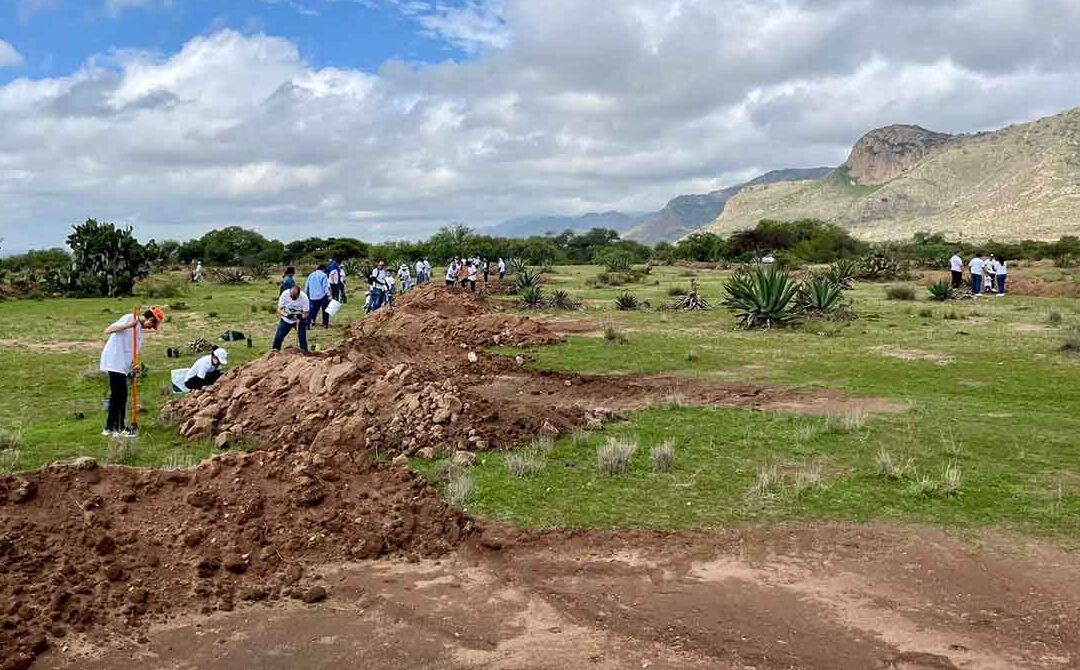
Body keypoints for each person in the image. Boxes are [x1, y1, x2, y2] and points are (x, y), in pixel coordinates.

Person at [100, 307, 164, 436]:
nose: (150, 329)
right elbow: (108, 330)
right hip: (114, 362)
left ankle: (109, 428)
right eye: (152, 325)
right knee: (120, 396)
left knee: (117, 396)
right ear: (150, 319)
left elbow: (131, 353)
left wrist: (133, 368)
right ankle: (120, 427)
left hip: (122, 366)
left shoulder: (139, 334)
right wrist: (129, 325)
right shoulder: (130, 318)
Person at [273, 284, 309, 351]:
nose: (292, 298)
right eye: (291, 296)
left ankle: (305, 355)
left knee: (302, 339)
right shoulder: (284, 295)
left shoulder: (304, 298)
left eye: (295, 297)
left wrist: (300, 317)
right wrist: (286, 315)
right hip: (286, 320)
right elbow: (279, 309)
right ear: (289, 292)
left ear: (299, 294)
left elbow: (306, 313)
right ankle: (274, 353)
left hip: (299, 321)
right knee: (278, 338)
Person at [306, 264, 331, 328]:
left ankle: (309, 323)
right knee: (325, 310)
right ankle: (325, 324)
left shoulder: (311, 275)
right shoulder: (324, 275)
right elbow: (325, 287)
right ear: (323, 269)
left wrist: (307, 295)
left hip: (312, 296)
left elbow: (307, 286)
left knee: (312, 311)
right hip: (322, 296)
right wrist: (329, 295)